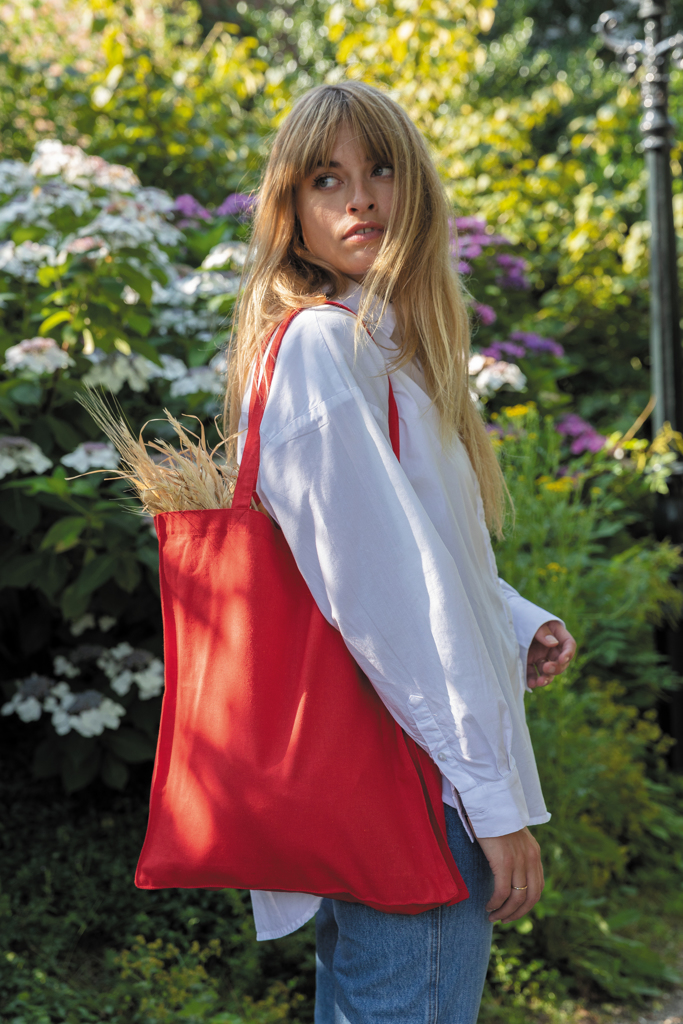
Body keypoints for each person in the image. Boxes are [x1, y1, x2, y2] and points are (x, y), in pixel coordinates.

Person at [226, 80, 577, 1024]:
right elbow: (384, 600)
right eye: (325, 179)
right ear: (292, 211)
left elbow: (396, 554)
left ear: (414, 182)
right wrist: (494, 803)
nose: (360, 199)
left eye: (379, 169)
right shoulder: (322, 348)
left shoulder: (387, 350)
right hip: (416, 784)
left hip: (400, 770)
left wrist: (511, 620)